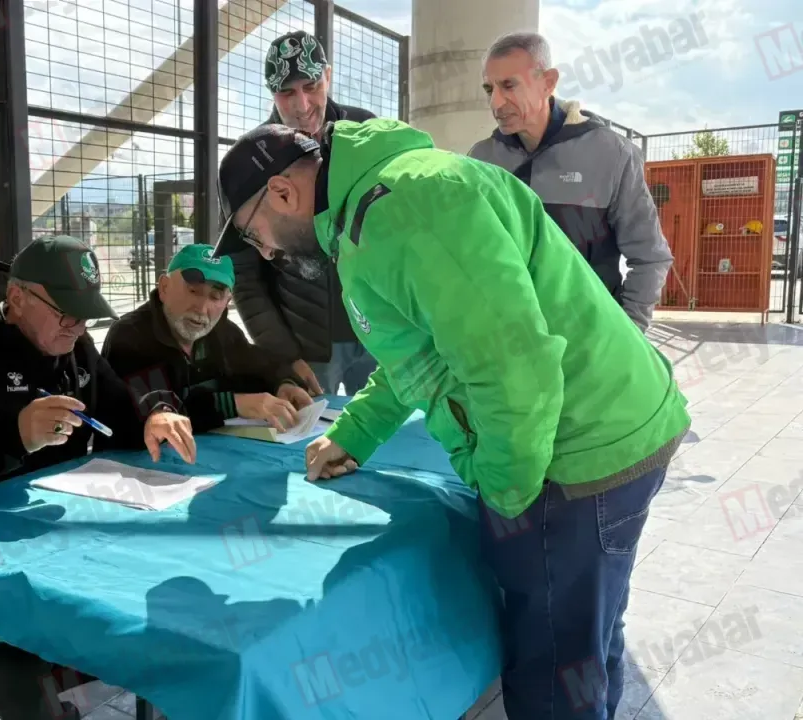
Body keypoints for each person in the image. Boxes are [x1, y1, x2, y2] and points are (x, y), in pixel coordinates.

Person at [212, 119, 691, 720]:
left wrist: (507, 497)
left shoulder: (403, 209)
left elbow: (513, 367)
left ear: (282, 193)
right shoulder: (379, 204)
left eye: (254, 234)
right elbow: (422, 351)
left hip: (577, 453)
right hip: (604, 426)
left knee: (553, 668)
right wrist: (356, 432)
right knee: (585, 639)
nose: (266, 252)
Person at [0, 235, 197, 720]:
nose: (78, 327)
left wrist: (155, 413)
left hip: (40, 548)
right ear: (18, 298)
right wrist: (14, 437)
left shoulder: (75, 347)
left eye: (86, 315)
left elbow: (119, 410)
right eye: (66, 313)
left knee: (151, 596)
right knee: (19, 661)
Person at [468, 31, 672, 332]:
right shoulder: (480, 159)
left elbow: (649, 257)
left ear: (548, 82)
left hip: (587, 340)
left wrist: (628, 334)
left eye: (509, 85)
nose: (496, 102)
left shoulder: (611, 154)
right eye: (489, 89)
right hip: (507, 341)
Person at [229, 29, 378, 397]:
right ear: (271, 92)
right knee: (313, 431)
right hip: (308, 347)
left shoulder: (367, 133)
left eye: (311, 86)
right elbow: (244, 275)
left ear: (328, 75)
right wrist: (282, 355)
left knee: (397, 427)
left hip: (381, 329)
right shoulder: (252, 158)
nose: (302, 104)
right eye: (286, 92)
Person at [102, 243, 314, 434]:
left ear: (227, 302)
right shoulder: (131, 336)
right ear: (164, 288)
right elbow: (152, 413)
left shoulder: (223, 332)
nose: (202, 308)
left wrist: (283, 384)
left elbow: (261, 366)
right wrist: (233, 404)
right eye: (193, 291)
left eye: (215, 297)